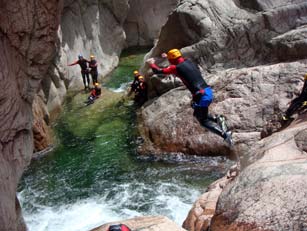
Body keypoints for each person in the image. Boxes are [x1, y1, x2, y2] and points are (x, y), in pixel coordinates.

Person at [147, 48, 233, 145]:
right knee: (198, 113)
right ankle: (217, 119)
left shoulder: (175, 68)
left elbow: (158, 71)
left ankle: (225, 135)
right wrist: (167, 57)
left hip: (202, 96)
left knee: (203, 121)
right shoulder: (188, 61)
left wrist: (152, 63)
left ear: (171, 60)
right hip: (206, 91)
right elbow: (178, 62)